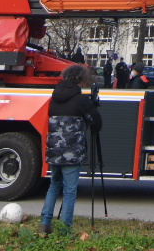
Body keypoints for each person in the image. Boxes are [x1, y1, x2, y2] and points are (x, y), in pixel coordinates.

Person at [39, 64, 98, 236]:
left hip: (54, 152)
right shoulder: (81, 100)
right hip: (72, 153)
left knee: (54, 185)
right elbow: (97, 122)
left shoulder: (54, 98)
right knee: (70, 190)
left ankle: (45, 223)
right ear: (80, 80)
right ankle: (65, 229)